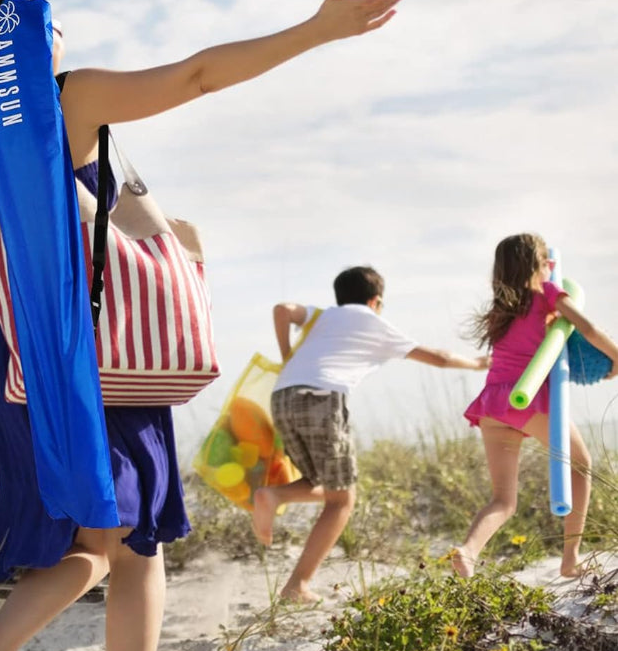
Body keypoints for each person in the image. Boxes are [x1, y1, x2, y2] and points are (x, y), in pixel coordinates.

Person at [0, 0, 405, 651]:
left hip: (21, 362)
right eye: (55, 21)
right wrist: (314, 31)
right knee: (135, 546)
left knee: (89, 544)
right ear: (33, 41)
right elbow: (197, 75)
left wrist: (5, 284)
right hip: (98, 355)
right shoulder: (66, 99)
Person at [252, 266, 488, 602]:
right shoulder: (373, 321)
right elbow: (440, 358)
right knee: (342, 500)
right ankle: (296, 584)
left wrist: (287, 355)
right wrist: (479, 364)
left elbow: (282, 310)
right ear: (376, 301)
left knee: (322, 482)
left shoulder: (323, 316)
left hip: (283, 397)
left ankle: (276, 497)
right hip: (323, 398)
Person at [453, 233, 618, 578]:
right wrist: (616, 359)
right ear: (538, 266)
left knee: (503, 500)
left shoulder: (501, 308)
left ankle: (467, 552)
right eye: (546, 262)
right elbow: (587, 327)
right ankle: (570, 558)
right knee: (582, 465)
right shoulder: (547, 295)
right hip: (526, 398)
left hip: (493, 405)